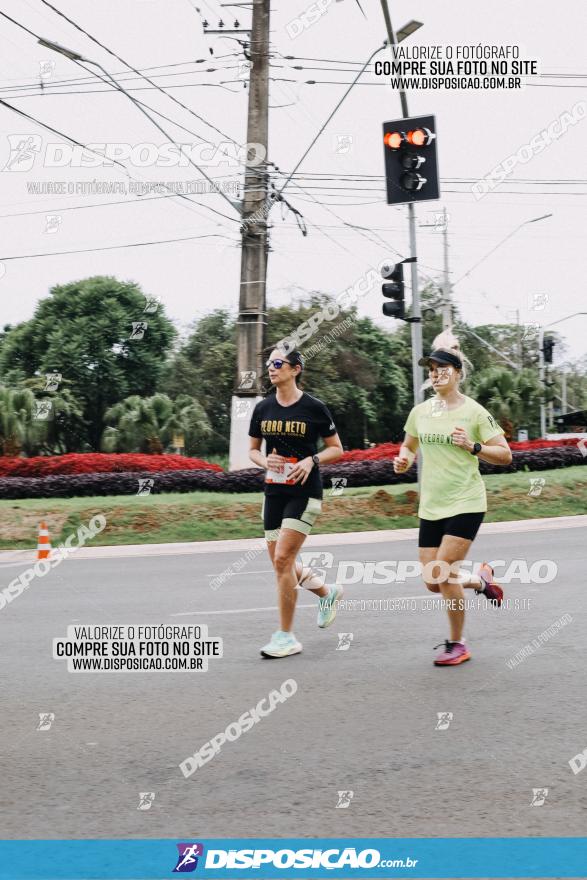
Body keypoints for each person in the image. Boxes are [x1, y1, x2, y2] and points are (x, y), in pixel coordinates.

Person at [393, 332, 513, 667]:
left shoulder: (475, 413)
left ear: (457, 373)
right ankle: (480, 580)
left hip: (466, 502)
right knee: (433, 582)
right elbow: (408, 446)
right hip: (432, 505)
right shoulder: (420, 412)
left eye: (442, 367)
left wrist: (473, 446)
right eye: (431, 368)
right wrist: (402, 459)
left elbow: (505, 455)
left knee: (444, 575)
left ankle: (458, 643)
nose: (435, 373)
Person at [249, 348, 344, 658]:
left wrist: (311, 460)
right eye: (269, 365)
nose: (271, 369)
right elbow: (252, 450)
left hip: (305, 493)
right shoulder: (263, 408)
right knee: (281, 563)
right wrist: (265, 461)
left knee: (282, 562)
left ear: (295, 369)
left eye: (277, 364)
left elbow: (336, 449)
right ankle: (327, 594)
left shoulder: (314, 408)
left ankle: (286, 636)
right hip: (274, 492)